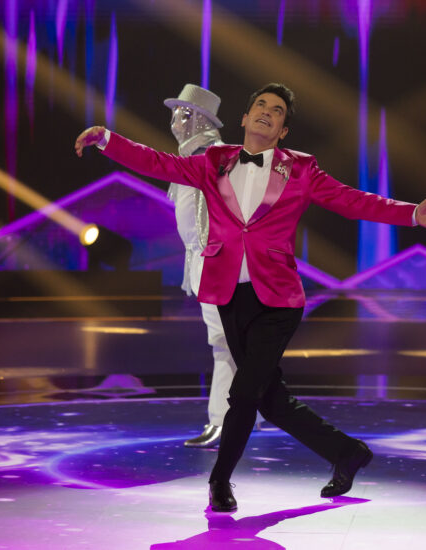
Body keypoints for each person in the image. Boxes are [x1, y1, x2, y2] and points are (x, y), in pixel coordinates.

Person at [75, 83, 426, 512]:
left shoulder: (301, 169)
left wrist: (409, 213)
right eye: (260, 105)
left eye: (277, 110)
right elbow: (159, 163)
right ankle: (348, 453)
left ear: (283, 131)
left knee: (244, 394)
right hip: (228, 295)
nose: (267, 112)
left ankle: (219, 483)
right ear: (244, 118)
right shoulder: (214, 160)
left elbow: (350, 201)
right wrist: (107, 139)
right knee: (271, 401)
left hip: (277, 301)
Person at [164, 84, 262, 448]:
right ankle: (247, 413)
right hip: (202, 260)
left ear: (198, 119)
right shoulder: (191, 157)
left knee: (225, 342)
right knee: (226, 342)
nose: (175, 121)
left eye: (182, 114)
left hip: (220, 261)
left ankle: (225, 419)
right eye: (175, 114)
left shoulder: (216, 158)